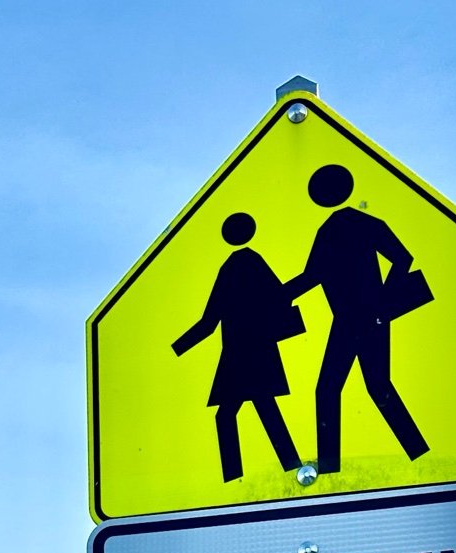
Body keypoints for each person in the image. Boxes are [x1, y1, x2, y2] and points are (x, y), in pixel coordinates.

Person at [285, 163, 430, 474]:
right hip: (356, 319)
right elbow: (313, 276)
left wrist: (382, 302)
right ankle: (415, 453)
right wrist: (277, 296)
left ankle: (332, 469)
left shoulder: (342, 227)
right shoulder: (339, 228)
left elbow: (402, 257)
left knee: (343, 389)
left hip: (364, 318)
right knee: (365, 387)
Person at [171, 212, 304, 483]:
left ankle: (241, 476)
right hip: (250, 352)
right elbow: (279, 298)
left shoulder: (234, 267)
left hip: (242, 354)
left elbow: (209, 321)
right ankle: (286, 466)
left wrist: (178, 348)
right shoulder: (248, 263)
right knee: (259, 409)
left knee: (238, 413)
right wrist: (177, 349)